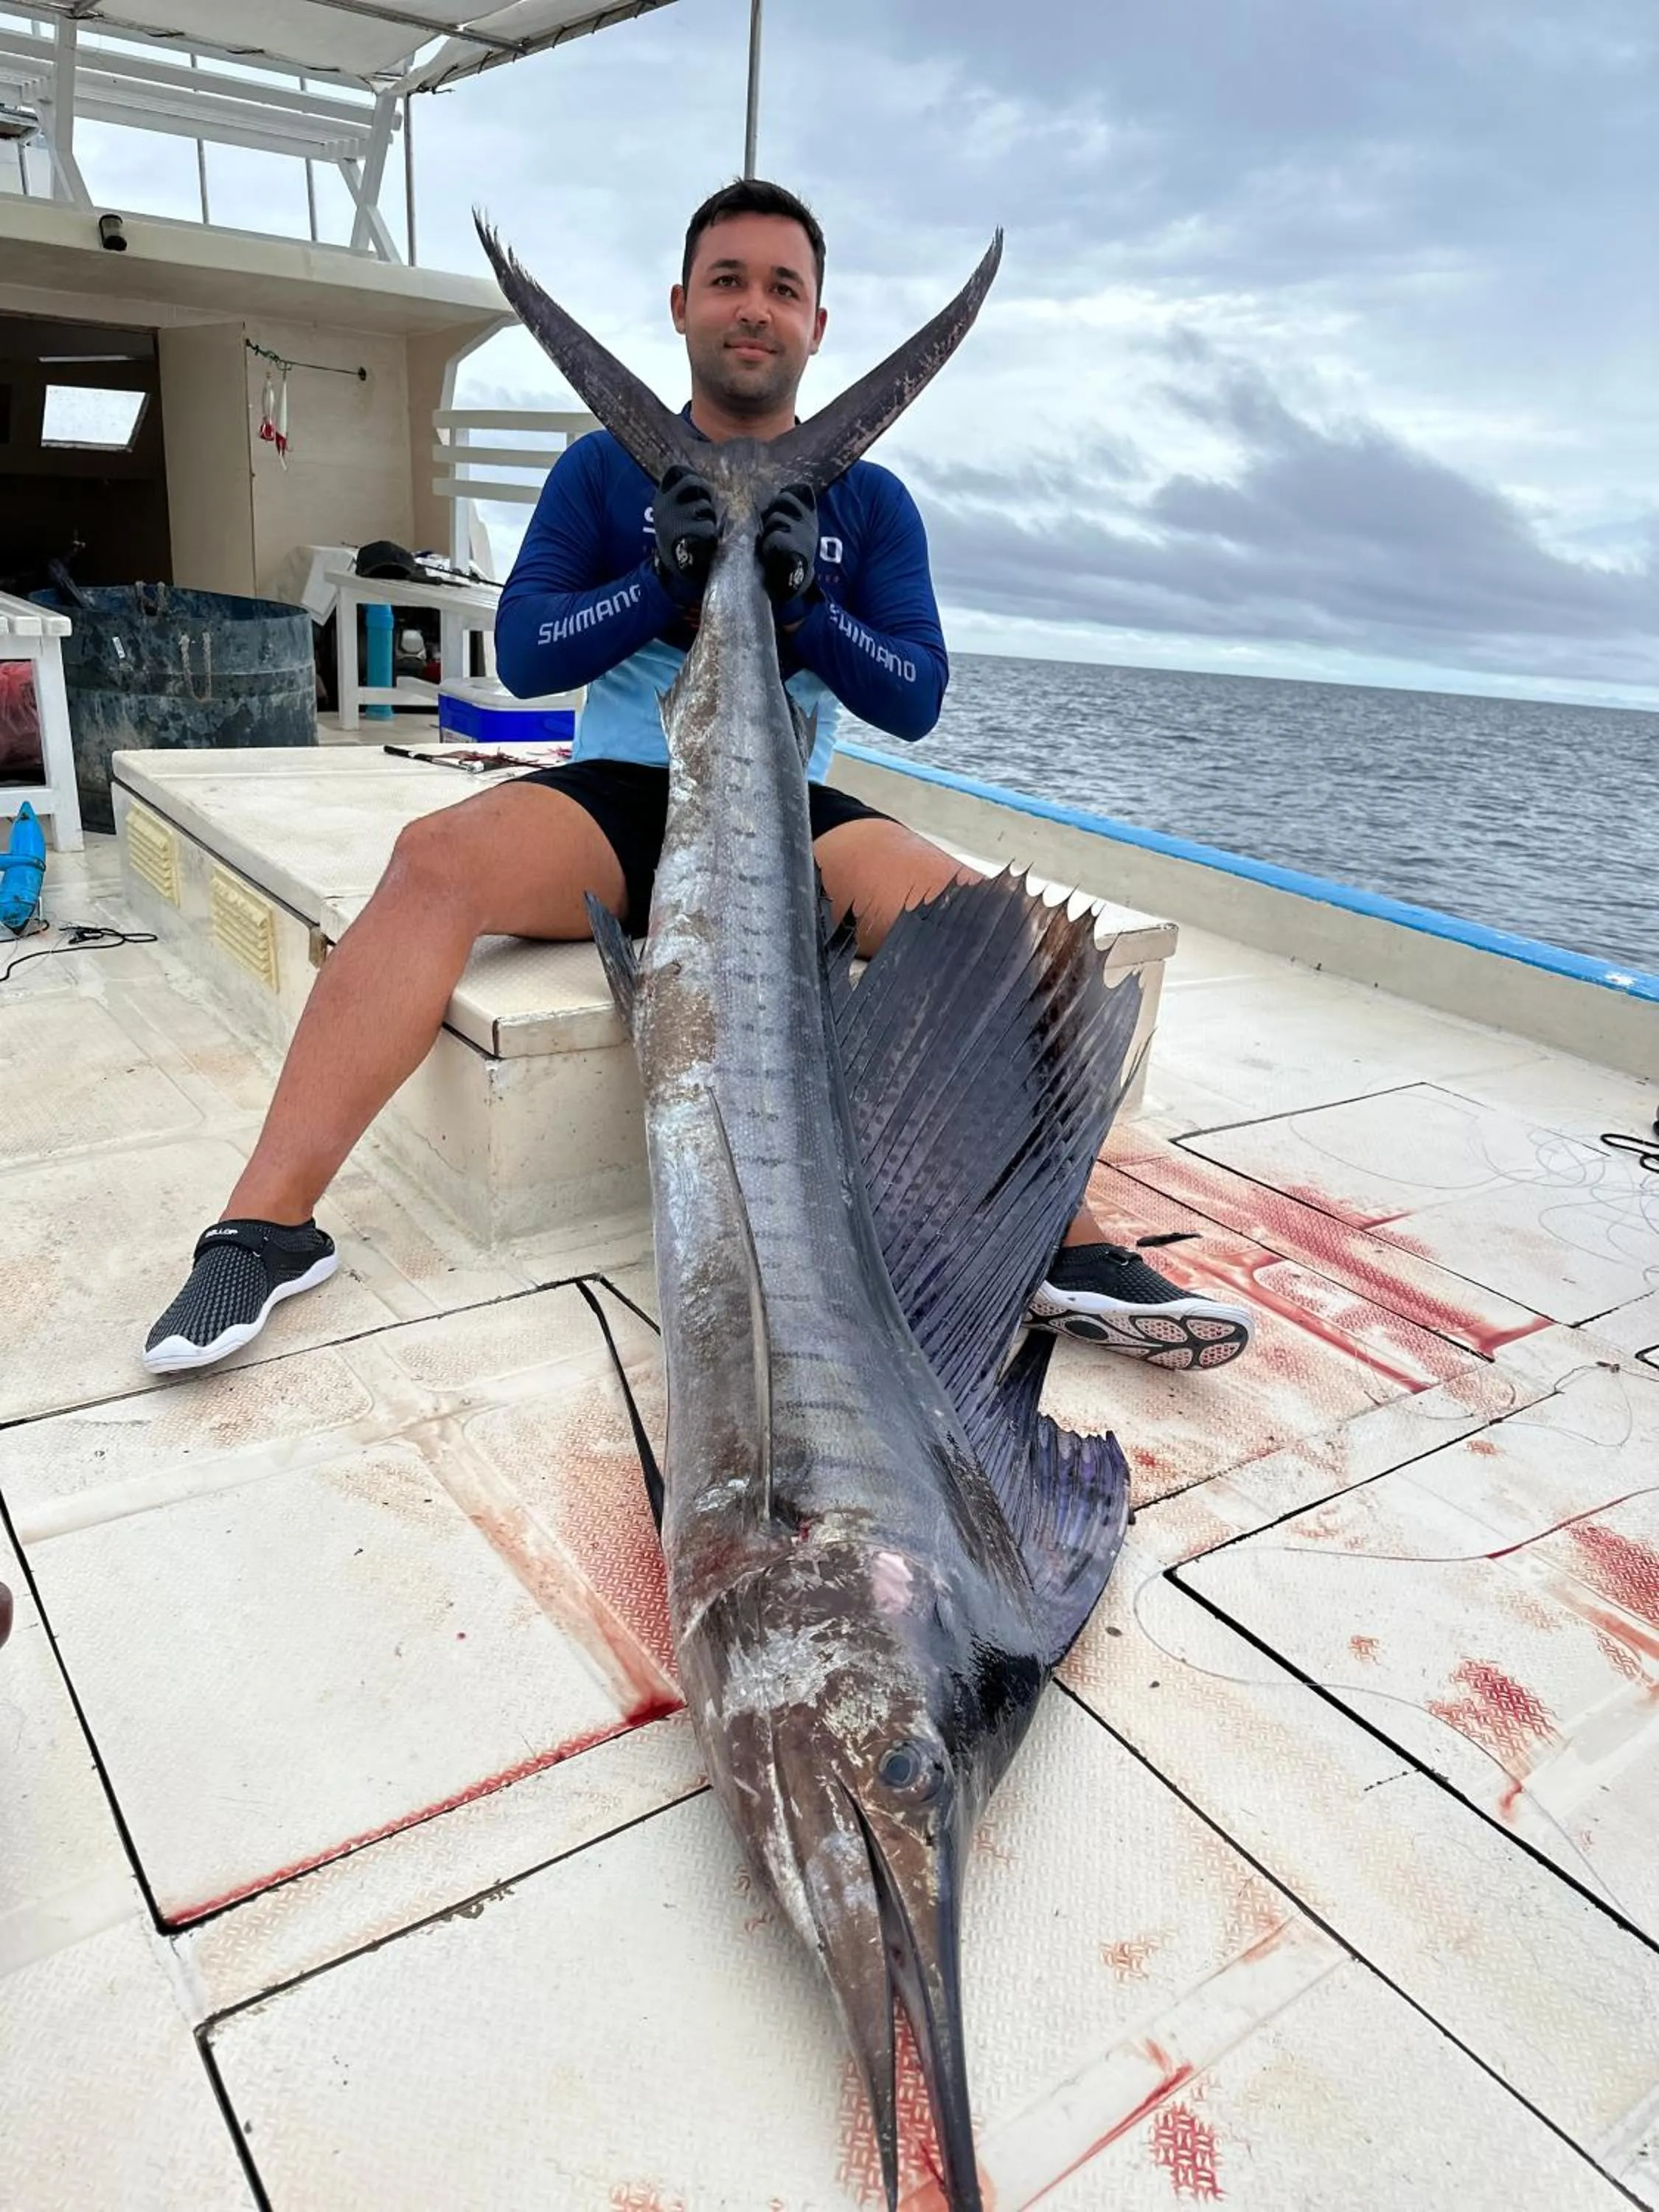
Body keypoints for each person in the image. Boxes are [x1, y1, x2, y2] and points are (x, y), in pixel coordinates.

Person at [143, 179, 1252, 1379]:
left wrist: (811, 611)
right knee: (432, 860)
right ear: (680, 304)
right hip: (625, 790)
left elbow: (915, 699)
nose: (753, 308)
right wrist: (659, 583)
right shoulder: (598, 472)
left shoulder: (868, 503)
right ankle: (265, 1226)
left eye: (784, 288)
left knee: (1000, 936)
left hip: (787, 810)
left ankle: (1064, 1241)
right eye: (728, 280)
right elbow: (523, 652)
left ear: (818, 324)